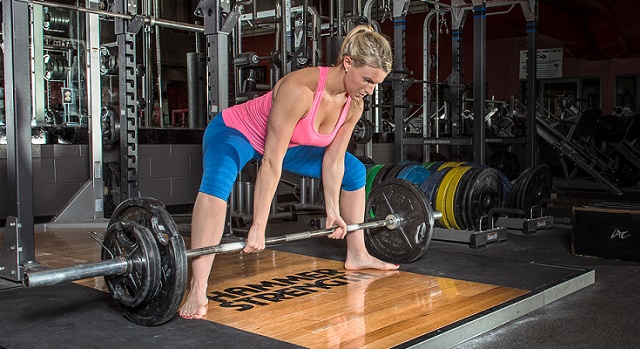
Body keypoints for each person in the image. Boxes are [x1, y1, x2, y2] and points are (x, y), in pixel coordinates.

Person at [179, 25, 398, 320]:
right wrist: (258, 225)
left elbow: (333, 162)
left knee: (355, 172)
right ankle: (198, 286)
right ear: (348, 63)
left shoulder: (354, 105)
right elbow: (271, 160)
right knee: (217, 184)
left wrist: (333, 212)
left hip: (289, 144)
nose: (370, 90)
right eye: (367, 80)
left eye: (376, 84)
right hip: (237, 133)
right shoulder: (301, 90)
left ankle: (357, 254)